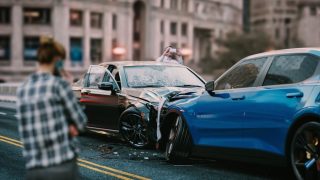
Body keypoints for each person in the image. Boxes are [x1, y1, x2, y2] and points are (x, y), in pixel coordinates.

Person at [16, 36, 87, 180]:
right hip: (61, 166)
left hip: (34, 169)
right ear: (57, 60)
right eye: (62, 61)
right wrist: (68, 85)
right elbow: (81, 122)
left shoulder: (22, 89)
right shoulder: (58, 85)